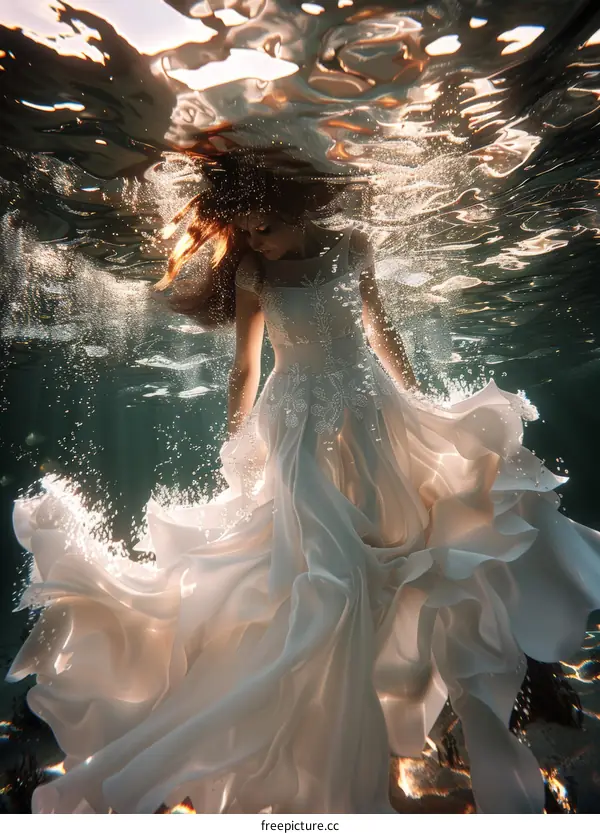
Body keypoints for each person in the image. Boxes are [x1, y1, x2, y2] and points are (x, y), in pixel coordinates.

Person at [6, 156, 600, 815]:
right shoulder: (257, 274)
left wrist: (418, 403)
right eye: (246, 232)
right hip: (296, 432)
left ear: (296, 212)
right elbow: (244, 369)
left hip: (372, 415)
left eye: (261, 227)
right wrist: (237, 446)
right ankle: (328, 725)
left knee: (399, 553)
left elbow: (382, 332)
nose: (252, 242)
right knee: (325, 571)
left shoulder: (353, 248)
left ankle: (395, 711)